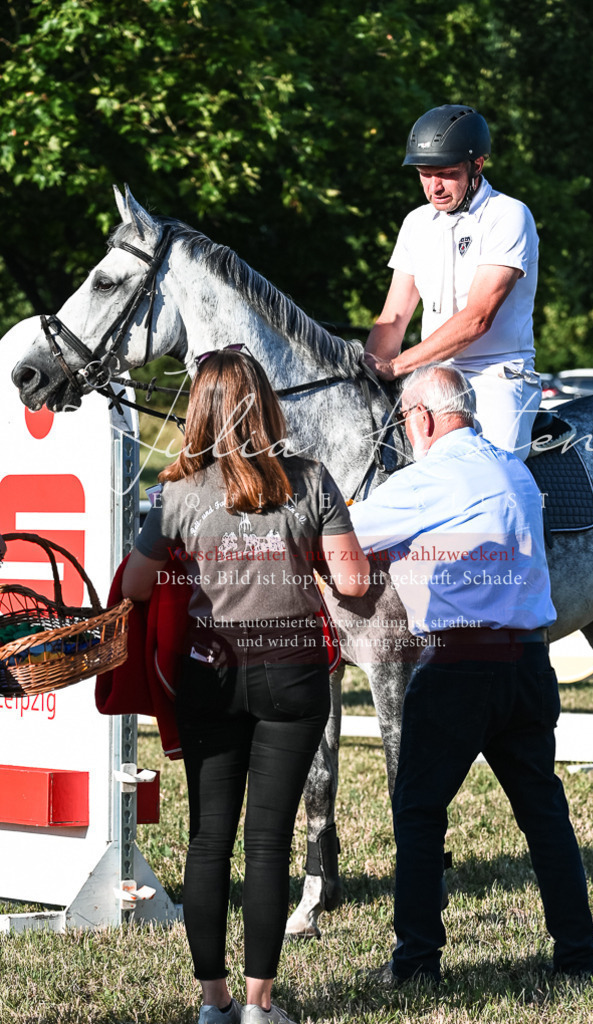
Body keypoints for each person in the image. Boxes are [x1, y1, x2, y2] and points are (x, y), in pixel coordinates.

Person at [122, 349, 370, 1024]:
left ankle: (215, 1005)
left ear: (197, 411)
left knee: (208, 841)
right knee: (268, 844)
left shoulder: (174, 494)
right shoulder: (312, 480)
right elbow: (352, 583)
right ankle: (260, 1007)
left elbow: (139, 586)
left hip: (210, 675)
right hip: (292, 675)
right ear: (264, 407)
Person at [348, 364, 593, 985]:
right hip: (529, 663)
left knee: (418, 810)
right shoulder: (512, 466)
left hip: (459, 664)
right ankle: (577, 953)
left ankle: (416, 962)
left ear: (424, 418)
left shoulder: (427, 478)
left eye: (406, 419)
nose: (405, 432)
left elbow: (343, 537)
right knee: (543, 811)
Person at [363, 104, 541, 460]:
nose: (434, 187)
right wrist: (369, 372)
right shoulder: (416, 223)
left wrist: (397, 367)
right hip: (432, 375)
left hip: (496, 376)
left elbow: (478, 318)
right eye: (424, 175)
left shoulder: (508, 216)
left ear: (477, 165)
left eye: (445, 173)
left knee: (492, 469)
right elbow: (394, 318)